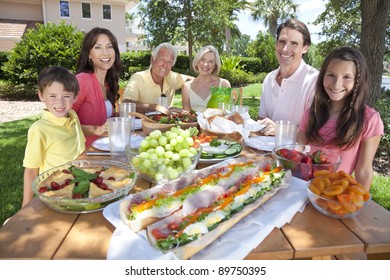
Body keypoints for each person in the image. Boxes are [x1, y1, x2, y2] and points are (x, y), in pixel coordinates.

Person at [297, 47, 384, 189]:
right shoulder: (310, 113)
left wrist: (360, 201)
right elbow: (298, 153)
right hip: (305, 189)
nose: (337, 84)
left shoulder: (369, 119)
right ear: (322, 76)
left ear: (358, 81)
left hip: (337, 194)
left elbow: (364, 171)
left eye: (347, 77)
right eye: (331, 75)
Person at [22, 66, 86, 207]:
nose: (60, 102)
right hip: (54, 192)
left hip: (78, 187)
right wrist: (25, 206)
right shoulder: (39, 129)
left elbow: (80, 149)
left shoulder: (73, 116)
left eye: (66, 96)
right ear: (41, 95)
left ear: (75, 96)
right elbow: (31, 170)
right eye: (52, 96)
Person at [258, 18, 319, 135]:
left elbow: (316, 133)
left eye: (294, 43)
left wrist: (280, 130)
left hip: (299, 152)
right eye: (282, 41)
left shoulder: (315, 81)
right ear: (276, 44)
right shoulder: (269, 79)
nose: (285, 49)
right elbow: (261, 120)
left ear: (305, 48)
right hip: (265, 150)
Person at [72, 27, 122, 148]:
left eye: (110, 46)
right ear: (89, 54)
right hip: (84, 155)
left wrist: (122, 117)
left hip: (106, 149)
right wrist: (96, 130)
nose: (105, 52)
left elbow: (104, 118)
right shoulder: (82, 81)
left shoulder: (108, 83)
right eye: (98, 47)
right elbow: (62, 122)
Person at [122, 42, 193, 112]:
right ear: (152, 60)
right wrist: (155, 107)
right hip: (141, 122)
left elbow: (193, 80)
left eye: (169, 62)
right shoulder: (138, 78)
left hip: (165, 123)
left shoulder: (172, 77)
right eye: (162, 60)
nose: (165, 65)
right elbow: (126, 103)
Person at [181, 45, 231, 112]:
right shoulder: (187, 86)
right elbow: (186, 115)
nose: (206, 64)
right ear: (197, 62)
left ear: (215, 66)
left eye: (211, 61)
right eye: (202, 60)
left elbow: (228, 113)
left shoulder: (223, 84)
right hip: (194, 122)